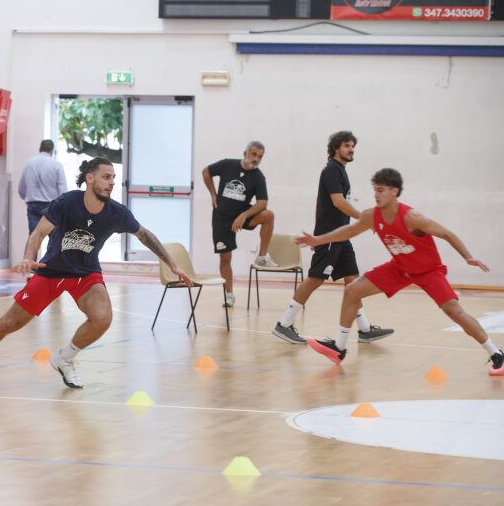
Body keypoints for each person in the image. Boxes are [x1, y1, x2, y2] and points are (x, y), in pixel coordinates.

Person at [0, 157, 193, 388]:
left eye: (114, 178)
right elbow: (38, 233)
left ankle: (65, 358)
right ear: (90, 178)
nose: (112, 183)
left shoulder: (117, 213)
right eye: (106, 177)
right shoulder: (67, 202)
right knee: (10, 323)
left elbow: (144, 235)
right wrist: (28, 257)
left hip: (85, 274)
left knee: (103, 318)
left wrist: (172, 264)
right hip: (51, 272)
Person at [300, 168, 503, 376]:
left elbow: (447, 234)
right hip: (399, 267)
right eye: (374, 190)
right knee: (352, 290)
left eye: (380, 190)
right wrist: (318, 239)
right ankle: (339, 348)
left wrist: (468, 257)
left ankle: (497, 354)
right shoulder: (371, 215)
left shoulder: (413, 218)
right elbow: (349, 231)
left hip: (428, 271)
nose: (376, 194)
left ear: (394, 191)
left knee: (455, 312)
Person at [272, 131, 392, 344]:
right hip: (331, 236)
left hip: (341, 236)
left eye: (353, 146)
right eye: (347, 146)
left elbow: (324, 204)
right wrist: (364, 219)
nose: (351, 149)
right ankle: (284, 324)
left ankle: (364, 330)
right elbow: (338, 202)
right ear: (336, 148)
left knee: (353, 281)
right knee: (316, 278)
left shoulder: (341, 171)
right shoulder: (332, 170)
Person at [202, 141, 276, 308]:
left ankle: (262, 256)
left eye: (260, 157)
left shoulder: (258, 177)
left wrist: (243, 215)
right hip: (222, 217)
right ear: (245, 153)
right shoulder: (227, 164)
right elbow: (206, 171)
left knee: (268, 215)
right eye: (254, 154)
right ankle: (229, 295)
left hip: (242, 214)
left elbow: (262, 203)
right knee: (225, 258)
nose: (256, 159)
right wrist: (213, 194)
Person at [18, 139, 68, 234]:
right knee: (54, 237)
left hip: (33, 205)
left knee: (34, 236)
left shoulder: (29, 163)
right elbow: (63, 191)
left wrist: (27, 198)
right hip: (51, 207)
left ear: (39, 149)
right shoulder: (57, 165)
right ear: (52, 151)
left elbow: (21, 189)